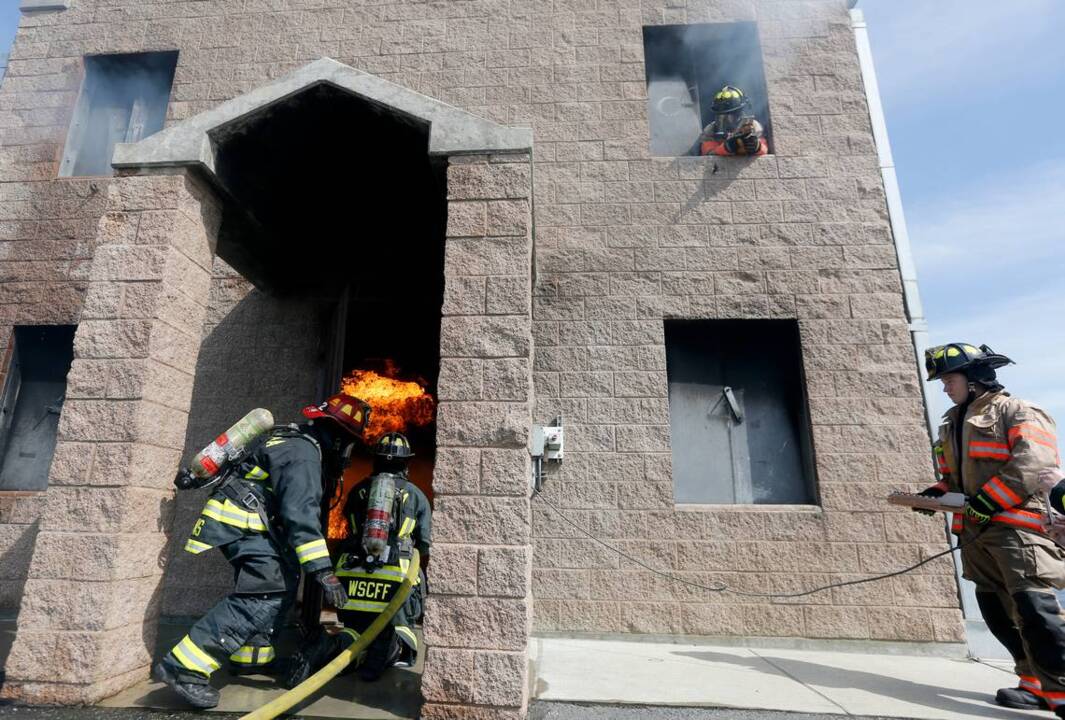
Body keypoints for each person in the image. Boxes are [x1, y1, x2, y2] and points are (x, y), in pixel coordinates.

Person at [154, 393, 371, 709]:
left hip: (247, 523)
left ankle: (252, 657)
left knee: (282, 580)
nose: (347, 453)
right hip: (242, 524)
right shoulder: (303, 455)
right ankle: (184, 668)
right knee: (262, 594)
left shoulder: (296, 441)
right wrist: (324, 571)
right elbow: (300, 514)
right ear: (338, 437)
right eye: (349, 443)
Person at [917, 343, 1065, 714]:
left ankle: (1061, 689)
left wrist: (989, 500)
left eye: (949, 380)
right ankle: (1032, 681)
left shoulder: (1017, 412)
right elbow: (952, 476)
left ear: (975, 378)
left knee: (1035, 609)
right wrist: (935, 494)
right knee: (995, 610)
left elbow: (1033, 464)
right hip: (976, 534)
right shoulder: (952, 423)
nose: (945, 388)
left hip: (1018, 533)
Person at [286, 431, 431, 687]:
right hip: (395, 583)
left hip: (352, 579)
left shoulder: (358, 490)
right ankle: (385, 651)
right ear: (406, 463)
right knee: (396, 634)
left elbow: (348, 529)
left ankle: (327, 647)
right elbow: (424, 544)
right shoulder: (416, 495)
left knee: (353, 631)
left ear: (376, 460)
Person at [698, 85, 768, 157]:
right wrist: (727, 147)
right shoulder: (711, 130)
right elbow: (707, 152)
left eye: (732, 114)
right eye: (721, 115)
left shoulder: (752, 126)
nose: (726, 119)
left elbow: (765, 149)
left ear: (740, 112)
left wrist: (756, 146)